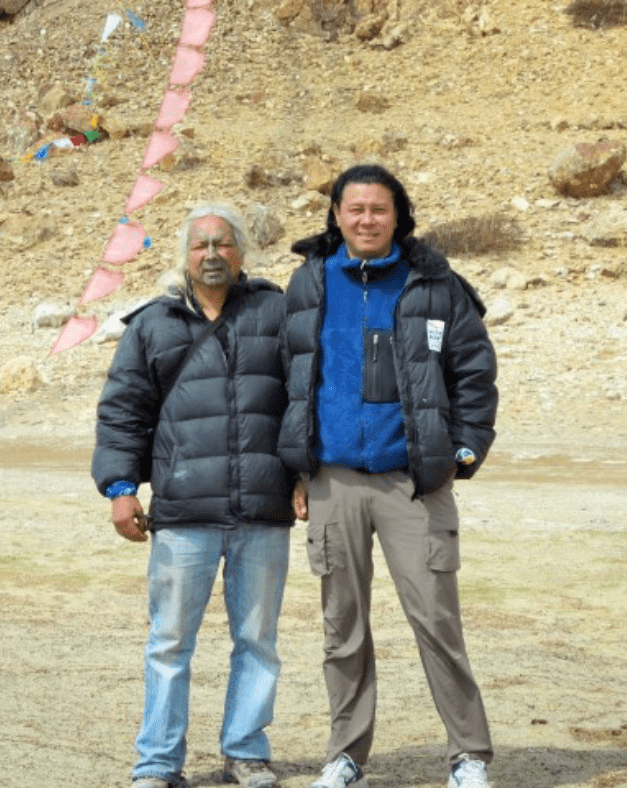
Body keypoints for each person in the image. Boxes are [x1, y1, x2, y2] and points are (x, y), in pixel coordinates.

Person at [278, 164, 498, 788]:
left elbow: (474, 372)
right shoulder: (309, 282)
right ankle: (346, 756)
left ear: (398, 215)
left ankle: (469, 756)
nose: (367, 220)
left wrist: (462, 452)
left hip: (414, 483)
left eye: (379, 209)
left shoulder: (435, 284)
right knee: (341, 629)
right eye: (355, 209)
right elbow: (289, 378)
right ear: (337, 216)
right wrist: (297, 470)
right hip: (333, 482)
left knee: (436, 622)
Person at [92, 203, 295, 788]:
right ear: (185, 254)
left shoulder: (275, 312)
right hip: (182, 513)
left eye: (223, 244)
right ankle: (157, 764)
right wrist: (121, 488)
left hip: (263, 509)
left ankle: (246, 753)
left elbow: (304, 400)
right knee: (170, 643)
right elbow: (122, 412)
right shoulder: (152, 324)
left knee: (258, 641)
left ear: (242, 252)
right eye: (200, 244)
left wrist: (305, 475)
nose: (211, 254)